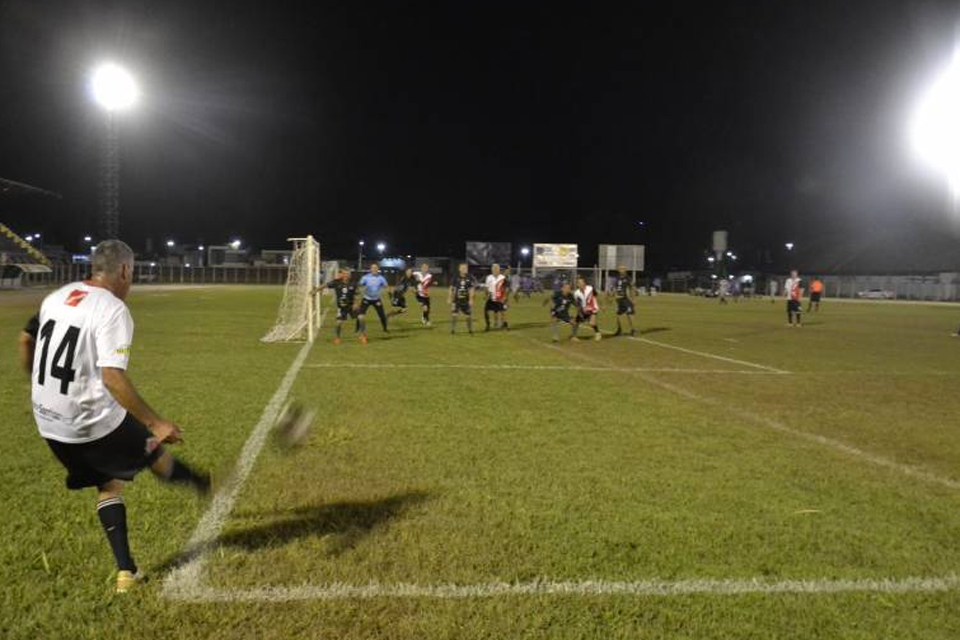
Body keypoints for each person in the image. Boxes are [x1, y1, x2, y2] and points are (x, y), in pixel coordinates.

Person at [19, 240, 209, 594]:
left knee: (109, 480)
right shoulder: (113, 309)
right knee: (151, 446)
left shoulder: (58, 296)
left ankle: (127, 570)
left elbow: (26, 338)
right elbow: (112, 376)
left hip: (48, 421)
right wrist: (157, 422)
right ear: (124, 271)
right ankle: (200, 484)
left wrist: (37, 382)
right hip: (86, 423)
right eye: (132, 273)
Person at [320, 268, 358, 344]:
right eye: (345, 273)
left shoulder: (353, 283)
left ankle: (361, 334)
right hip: (341, 307)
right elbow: (325, 285)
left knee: (361, 317)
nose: (346, 275)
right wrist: (316, 290)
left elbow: (357, 293)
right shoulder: (336, 282)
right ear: (342, 274)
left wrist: (356, 303)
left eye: (348, 273)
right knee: (339, 322)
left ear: (350, 275)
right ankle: (337, 338)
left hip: (351, 305)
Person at [356, 263, 389, 343]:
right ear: (370, 269)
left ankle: (385, 328)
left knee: (382, 315)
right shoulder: (365, 277)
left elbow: (386, 286)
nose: (374, 269)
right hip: (366, 298)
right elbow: (359, 285)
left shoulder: (381, 278)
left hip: (376, 299)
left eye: (375, 268)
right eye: (372, 268)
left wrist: (386, 290)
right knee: (360, 314)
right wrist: (361, 288)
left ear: (378, 269)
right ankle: (357, 329)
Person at [448, 263, 475, 335]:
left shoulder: (470, 277)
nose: (465, 269)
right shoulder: (455, 277)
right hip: (456, 300)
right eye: (463, 268)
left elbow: (471, 289)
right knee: (454, 315)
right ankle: (452, 330)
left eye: (466, 268)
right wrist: (449, 298)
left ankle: (470, 330)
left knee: (468, 316)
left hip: (466, 300)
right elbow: (451, 288)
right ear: (459, 269)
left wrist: (471, 299)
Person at [574, 276, 602, 341]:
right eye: (579, 283)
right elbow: (578, 304)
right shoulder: (576, 293)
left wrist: (601, 305)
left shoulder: (590, 288)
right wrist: (579, 312)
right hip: (584, 309)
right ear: (577, 284)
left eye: (582, 282)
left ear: (584, 283)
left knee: (592, 323)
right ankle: (574, 336)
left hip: (593, 308)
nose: (581, 284)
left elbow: (597, 295)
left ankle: (598, 333)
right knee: (576, 322)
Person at [611, 265, 636, 337]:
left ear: (625, 270)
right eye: (620, 268)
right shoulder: (616, 278)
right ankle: (619, 330)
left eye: (623, 268)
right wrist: (613, 295)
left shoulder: (628, 278)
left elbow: (632, 288)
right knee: (618, 314)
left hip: (626, 299)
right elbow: (614, 288)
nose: (622, 270)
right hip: (618, 299)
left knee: (630, 313)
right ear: (618, 270)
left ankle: (633, 330)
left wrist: (633, 299)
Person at [484, 263, 509, 331]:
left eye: (496, 268)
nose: (494, 269)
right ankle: (488, 325)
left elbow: (506, 288)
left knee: (502, 312)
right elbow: (486, 288)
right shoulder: (489, 277)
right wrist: (486, 295)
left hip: (500, 298)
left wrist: (505, 297)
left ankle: (504, 325)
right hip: (491, 298)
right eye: (493, 268)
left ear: (499, 269)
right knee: (486, 311)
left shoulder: (502, 278)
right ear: (491, 269)